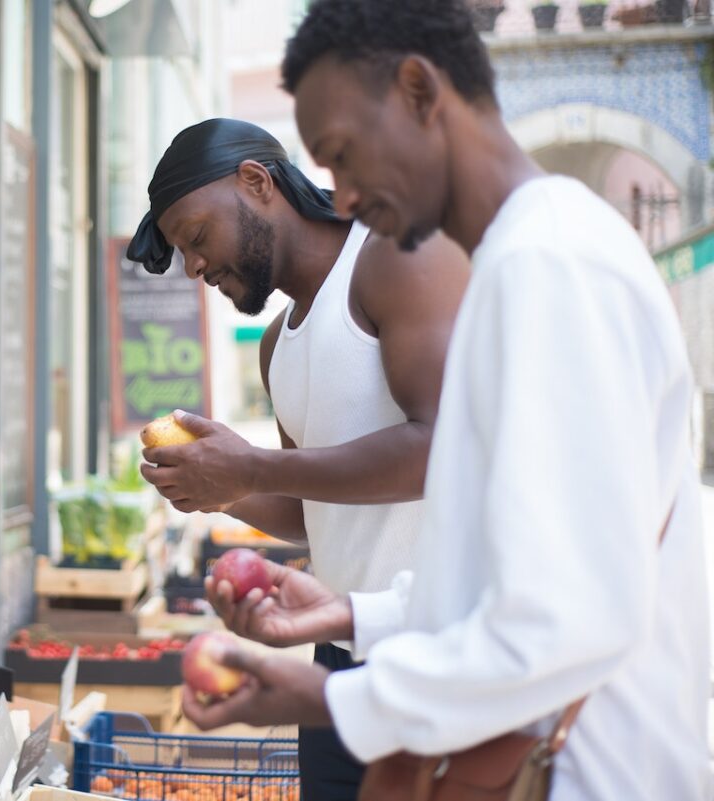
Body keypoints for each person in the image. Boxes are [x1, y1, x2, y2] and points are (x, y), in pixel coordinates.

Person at [180, 3, 711, 800]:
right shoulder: (519, 261)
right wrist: (350, 617)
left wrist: (331, 694)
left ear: (420, 90)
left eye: (345, 157)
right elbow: (512, 563)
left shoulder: (552, 265)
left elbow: (570, 612)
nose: (347, 198)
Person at [128, 118, 469, 801]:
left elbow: (440, 447)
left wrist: (251, 467)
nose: (194, 267)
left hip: (444, 653)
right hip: (339, 664)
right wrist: (216, 488)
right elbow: (314, 515)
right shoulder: (276, 345)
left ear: (257, 182)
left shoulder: (388, 260)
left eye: (196, 237)